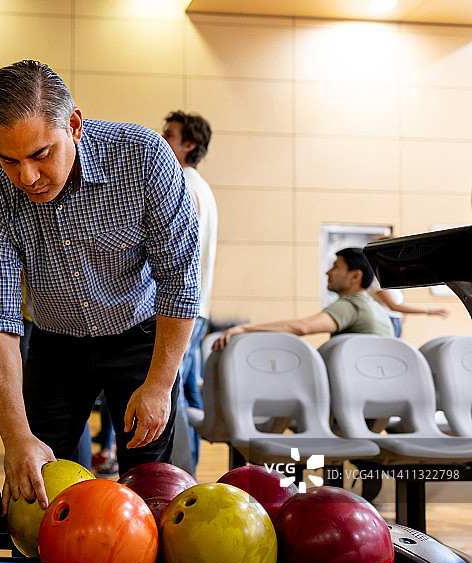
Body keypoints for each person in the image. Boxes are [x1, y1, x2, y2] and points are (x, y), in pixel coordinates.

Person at [0, 60, 200, 512]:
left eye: (40, 154)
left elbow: (180, 281)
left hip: (140, 336)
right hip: (56, 344)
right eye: (9, 160)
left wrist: (159, 385)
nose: (27, 177)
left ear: (73, 126)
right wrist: (15, 438)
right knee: (37, 484)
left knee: (148, 490)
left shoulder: (144, 158)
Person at [162, 110, 218, 475]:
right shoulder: (202, 187)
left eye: (169, 134)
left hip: (183, 309)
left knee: (168, 392)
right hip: (198, 309)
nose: (160, 139)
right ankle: (188, 472)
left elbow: (176, 257)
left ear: (189, 145)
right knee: (186, 393)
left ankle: (180, 475)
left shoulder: (183, 187)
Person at [213, 247, 393, 351]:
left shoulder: (352, 305)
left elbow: (302, 327)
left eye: (336, 267)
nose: (327, 272)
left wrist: (245, 329)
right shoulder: (376, 308)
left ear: (355, 277)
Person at [365, 237, 449, 337]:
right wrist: (429, 311)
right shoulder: (378, 279)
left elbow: (398, 306)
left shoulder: (390, 278)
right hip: (386, 322)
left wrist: (402, 318)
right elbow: (393, 306)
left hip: (394, 321)